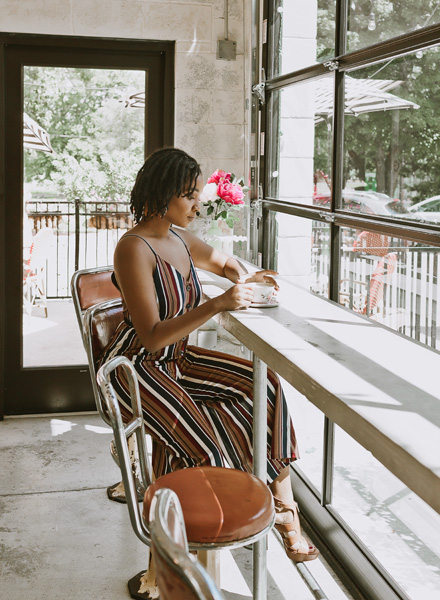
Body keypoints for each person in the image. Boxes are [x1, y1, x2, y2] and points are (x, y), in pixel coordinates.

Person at [99, 147, 319, 562]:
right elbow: (150, 337)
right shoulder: (133, 248)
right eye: (189, 196)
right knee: (201, 449)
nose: (197, 205)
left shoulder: (180, 238)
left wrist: (246, 278)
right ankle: (174, 563)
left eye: (197, 194)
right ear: (162, 195)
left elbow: (225, 263)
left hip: (179, 361)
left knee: (266, 388)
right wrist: (218, 304)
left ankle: (287, 512)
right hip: (138, 369)